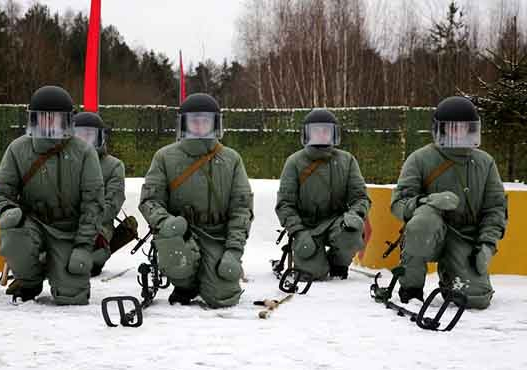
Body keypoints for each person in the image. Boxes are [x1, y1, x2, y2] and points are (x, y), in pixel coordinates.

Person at [0, 86, 104, 304]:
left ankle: (57, 268)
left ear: (67, 120)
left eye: (55, 118)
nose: (49, 123)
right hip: (32, 225)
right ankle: (29, 280)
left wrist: (83, 245)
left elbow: (93, 203)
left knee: (72, 296)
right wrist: (6, 210)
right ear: (34, 119)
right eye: (43, 117)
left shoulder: (84, 152)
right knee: (13, 235)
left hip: (68, 230)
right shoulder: (17, 149)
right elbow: (1, 192)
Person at [391, 96, 507, 309]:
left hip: (465, 237)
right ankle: (411, 287)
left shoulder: (485, 162)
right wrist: (426, 201)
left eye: (464, 128)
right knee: (424, 220)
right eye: (452, 127)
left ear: (472, 129)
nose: (458, 133)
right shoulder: (420, 159)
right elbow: (398, 204)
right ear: (440, 129)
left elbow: (495, 208)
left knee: (475, 299)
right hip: (430, 233)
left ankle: (452, 278)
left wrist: (487, 244)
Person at [139, 93, 253, 308]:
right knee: (178, 259)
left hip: (216, 236)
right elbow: (150, 200)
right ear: (184, 124)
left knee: (223, 297)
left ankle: (208, 277)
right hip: (181, 235)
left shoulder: (231, 159)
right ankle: (184, 285)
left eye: (205, 121)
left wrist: (233, 251)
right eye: (194, 121)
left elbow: (242, 208)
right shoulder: (164, 157)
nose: (200, 126)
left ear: (215, 123)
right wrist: (166, 222)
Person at [275, 109, 371, 281]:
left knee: (352, 231)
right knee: (312, 274)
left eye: (325, 130)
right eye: (316, 131)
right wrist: (298, 231)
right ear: (307, 134)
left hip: (337, 223)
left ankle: (338, 264)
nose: (321, 134)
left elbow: (360, 197)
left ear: (334, 134)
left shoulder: (347, 160)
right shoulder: (294, 162)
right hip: (306, 226)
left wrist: (354, 216)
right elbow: (285, 204)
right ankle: (315, 261)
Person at [73, 112, 126, 277]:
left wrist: (85, 220)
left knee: (90, 252)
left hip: (98, 227)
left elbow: (112, 205)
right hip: (63, 224)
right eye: (79, 135)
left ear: (100, 137)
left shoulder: (113, 166)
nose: (84, 140)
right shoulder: (62, 162)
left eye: (89, 135)